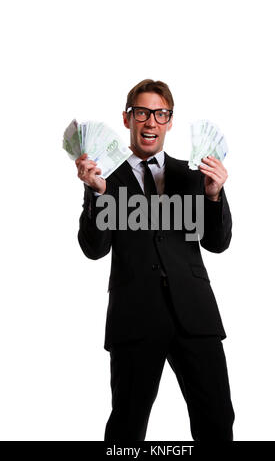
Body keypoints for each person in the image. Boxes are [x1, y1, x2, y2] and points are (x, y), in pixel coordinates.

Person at [76, 79, 235, 441]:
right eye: (143, 113)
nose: (151, 122)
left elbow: (218, 242)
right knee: (127, 427)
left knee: (217, 419)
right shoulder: (107, 179)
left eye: (160, 114)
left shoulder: (193, 173)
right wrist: (96, 193)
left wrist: (214, 194)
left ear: (169, 121)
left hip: (195, 315)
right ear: (127, 117)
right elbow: (94, 248)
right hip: (135, 314)